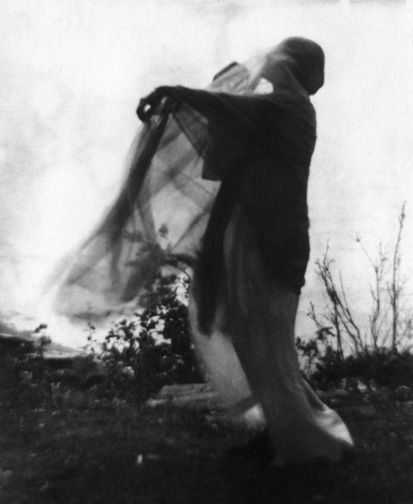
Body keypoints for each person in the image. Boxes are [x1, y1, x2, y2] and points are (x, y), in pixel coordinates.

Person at [56, 37, 353, 466]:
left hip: (273, 244)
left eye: (279, 57)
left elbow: (227, 110)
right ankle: (281, 431)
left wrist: (173, 94)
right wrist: (216, 88)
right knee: (253, 341)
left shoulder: (288, 109)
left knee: (268, 345)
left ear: (291, 67)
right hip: (260, 237)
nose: (267, 59)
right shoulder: (277, 111)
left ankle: (306, 442)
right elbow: (226, 137)